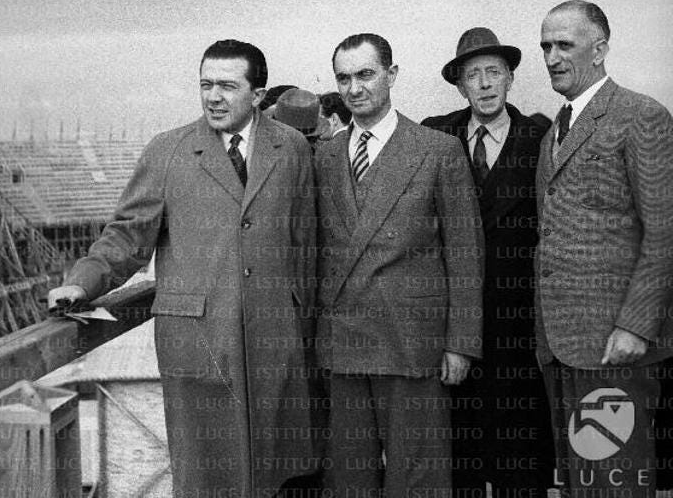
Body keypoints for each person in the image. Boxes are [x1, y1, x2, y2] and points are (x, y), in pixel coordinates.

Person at [48, 40, 319, 496]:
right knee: (207, 476)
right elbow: (127, 235)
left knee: (276, 476)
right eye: (206, 84)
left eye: (228, 86)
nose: (213, 96)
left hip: (275, 343)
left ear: (257, 93)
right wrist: (82, 283)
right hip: (199, 344)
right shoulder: (168, 150)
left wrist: (304, 325)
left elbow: (304, 246)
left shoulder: (291, 147)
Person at [315, 32, 484, 495]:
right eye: (344, 78)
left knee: (419, 478)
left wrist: (461, 344)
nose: (354, 88)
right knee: (349, 479)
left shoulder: (437, 150)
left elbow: (466, 255)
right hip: (344, 344)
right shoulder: (325, 157)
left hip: (414, 344)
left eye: (366, 74)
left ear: (391, 75)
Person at [536, 0, 673, 498]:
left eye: (564, 44)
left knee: (615, 481)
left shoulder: (641, 115)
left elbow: (664, 231)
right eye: (546, 46)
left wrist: (636, 323)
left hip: (615, 346)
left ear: (601, 48)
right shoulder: (558, 127)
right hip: (563, 346)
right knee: (581, 482)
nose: (552, 57)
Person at [422, 27, 554, 498]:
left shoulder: (541, 136)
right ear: (459, 85)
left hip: (518, 324)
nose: (484, 83)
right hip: (454, 325)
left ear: (511, 78)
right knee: (461, 454)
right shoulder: (435, 135)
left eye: (493, 71)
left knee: (521, 454)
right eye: (472, 74)